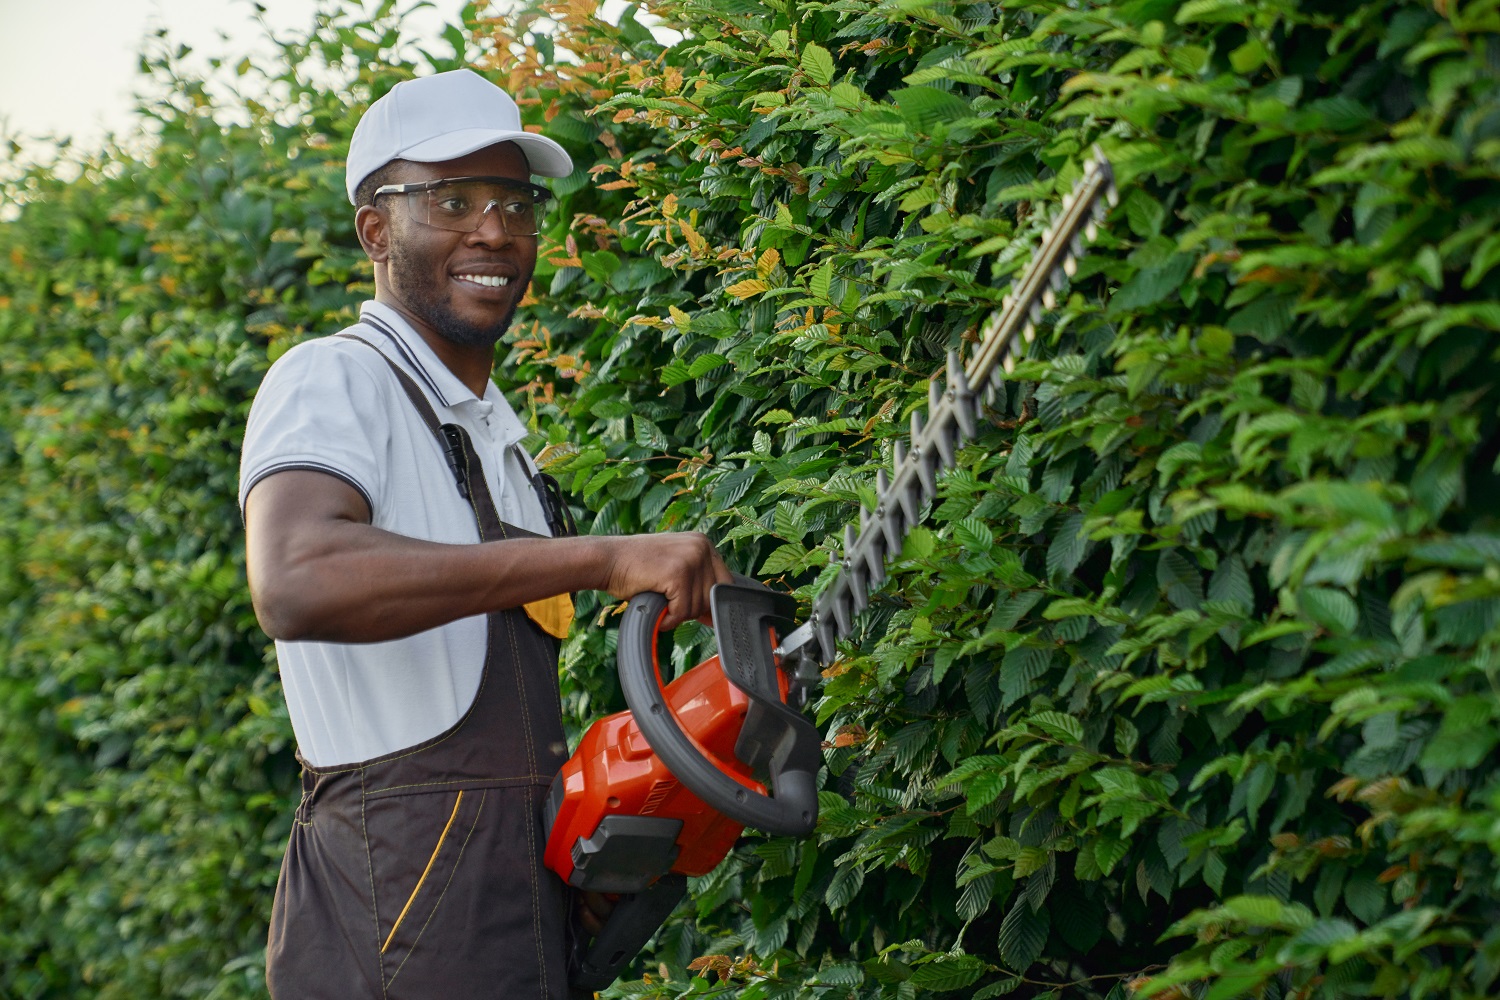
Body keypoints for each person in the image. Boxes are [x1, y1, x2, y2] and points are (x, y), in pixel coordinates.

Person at [239, 68, 730, 1000]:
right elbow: (295, 577)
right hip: (394, 917)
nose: (494, 231)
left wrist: (581, 840)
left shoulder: (495, 438)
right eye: (451, 200)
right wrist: (606, 557)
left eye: (515, 202)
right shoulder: (334, 381)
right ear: (375, 229)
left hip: (514, 922)